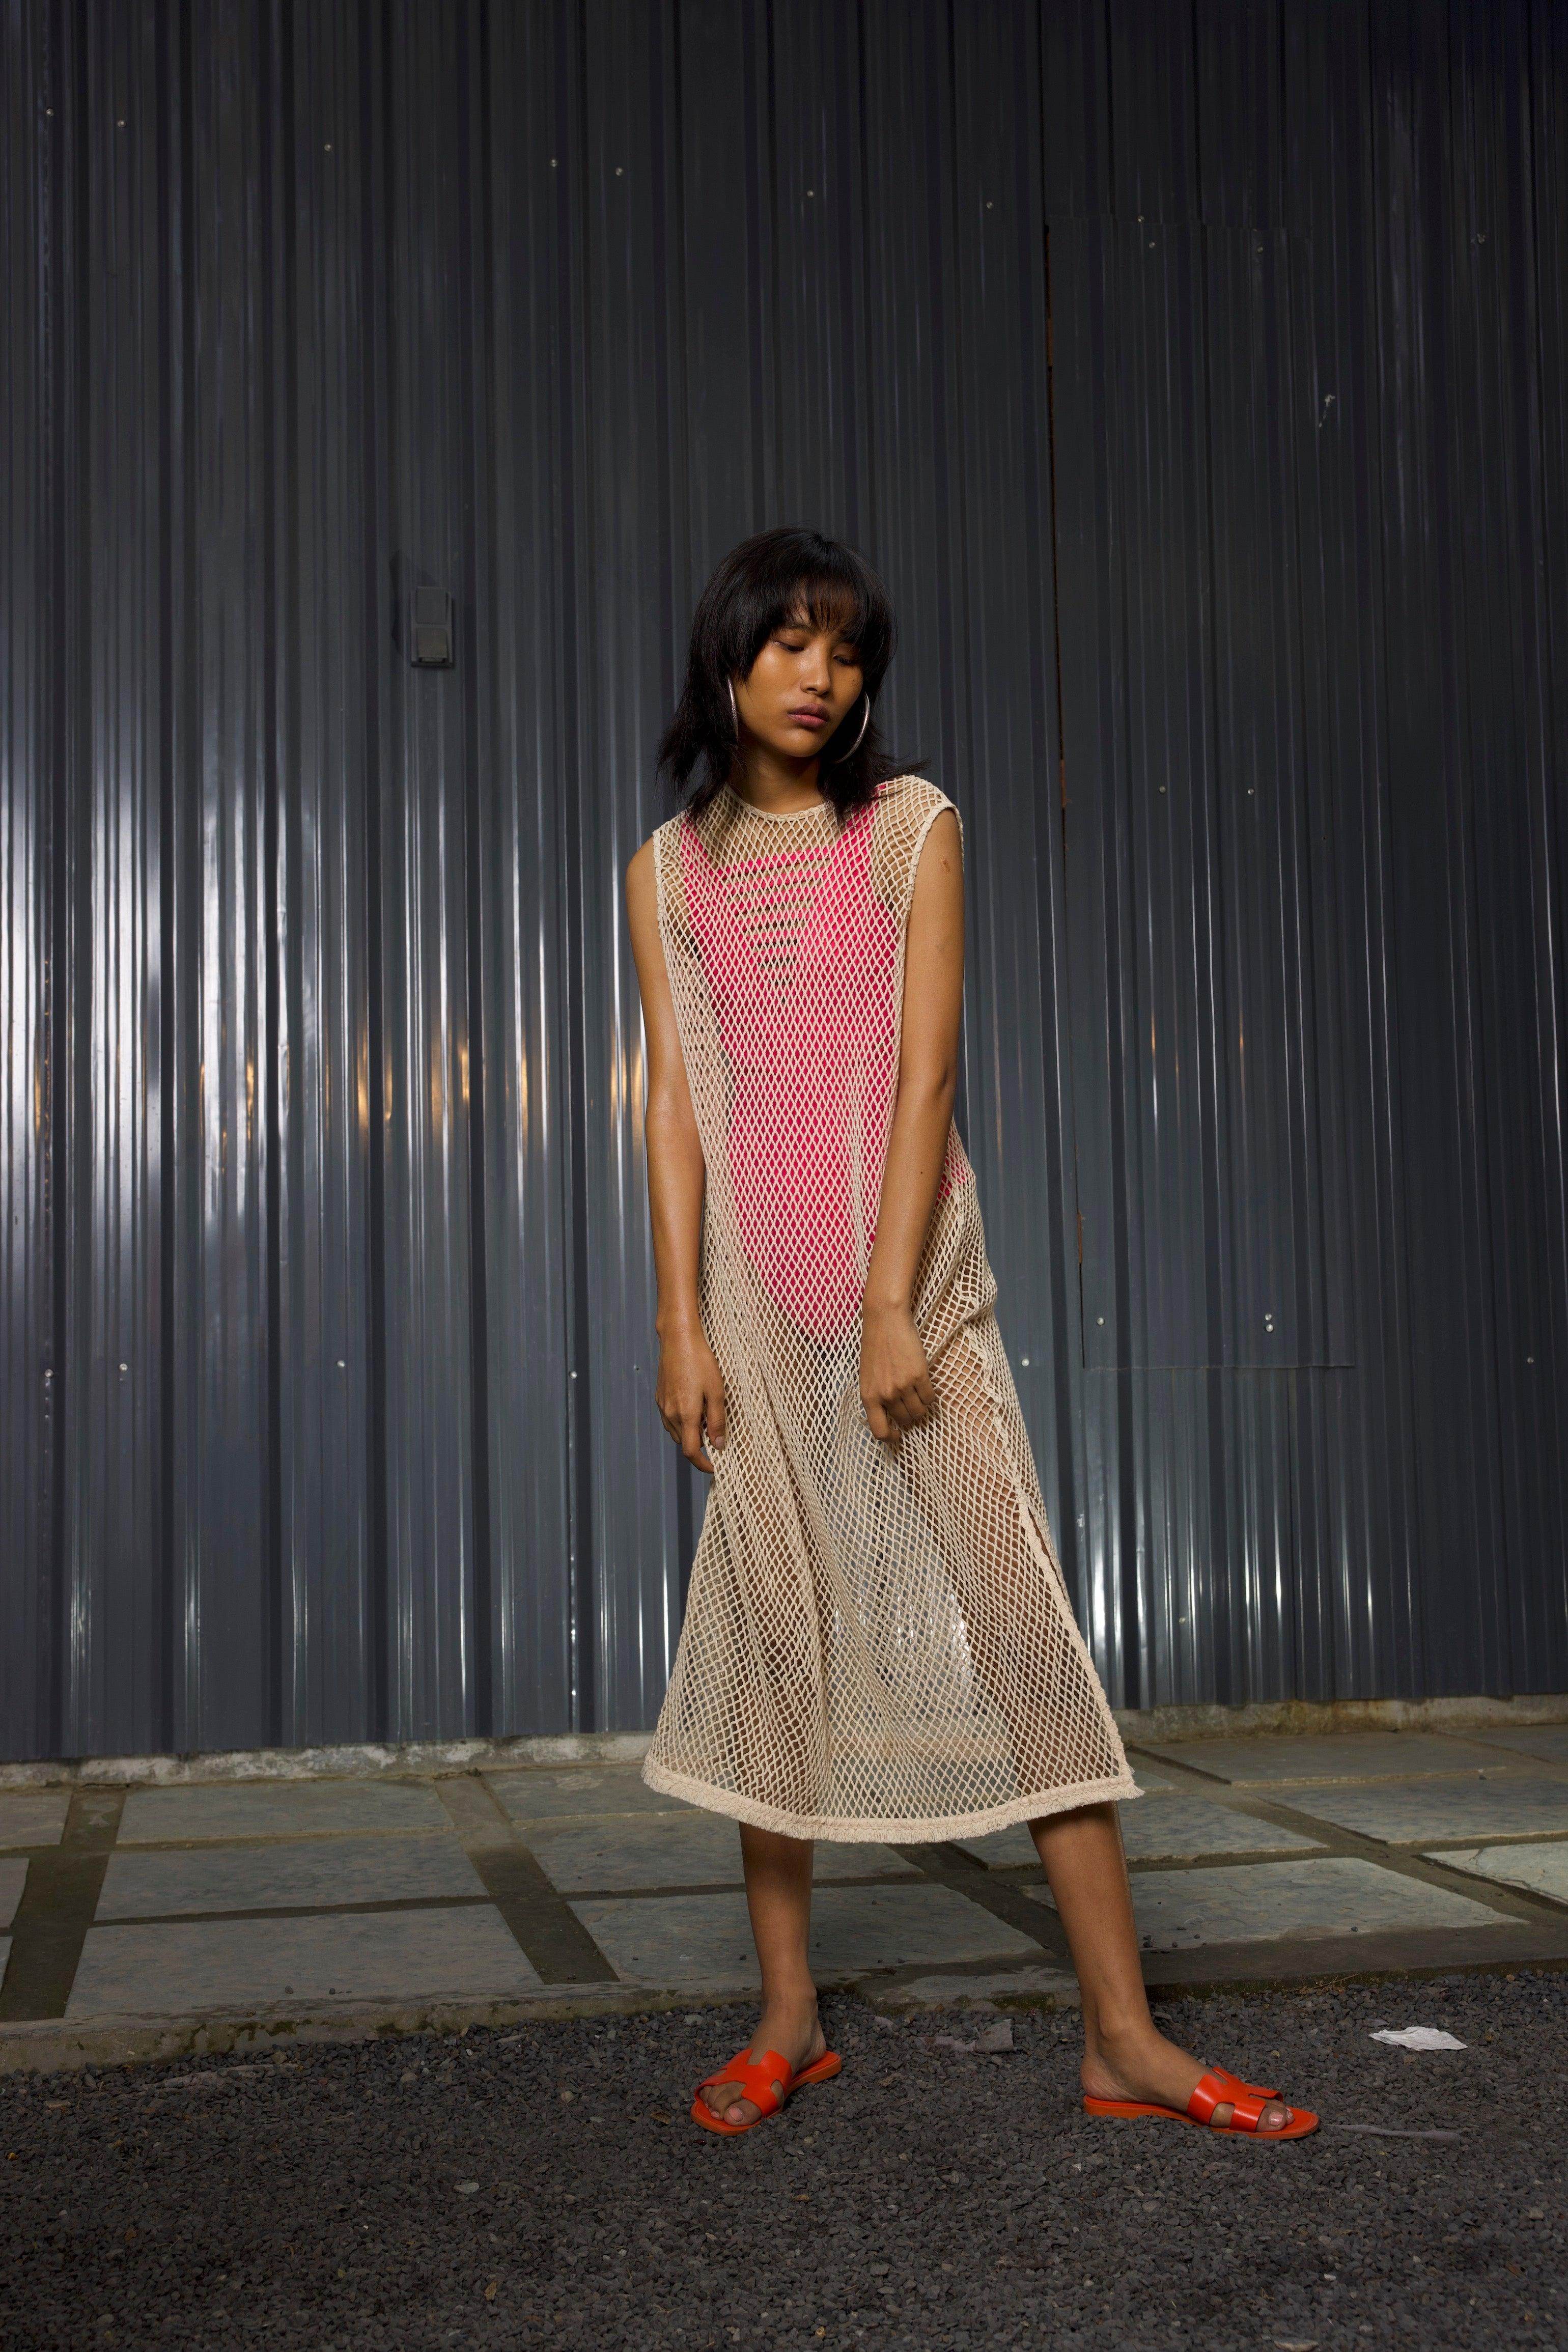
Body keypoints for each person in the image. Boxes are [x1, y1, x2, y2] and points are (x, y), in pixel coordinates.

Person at [623, 527, 1315, 2144]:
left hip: (915, 1293)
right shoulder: (666, 872)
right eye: (792, 641)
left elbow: (924, 1074)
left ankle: (1123, 2035)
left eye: (847, 648)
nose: (821, 674)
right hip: (756, 1314)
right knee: (776, 1643)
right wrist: (679, 1322)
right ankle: (788, 2014)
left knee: (1021, 1634)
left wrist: (889, 1304)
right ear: (729, 656)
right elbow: (675, 1106)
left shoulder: (910, 829)